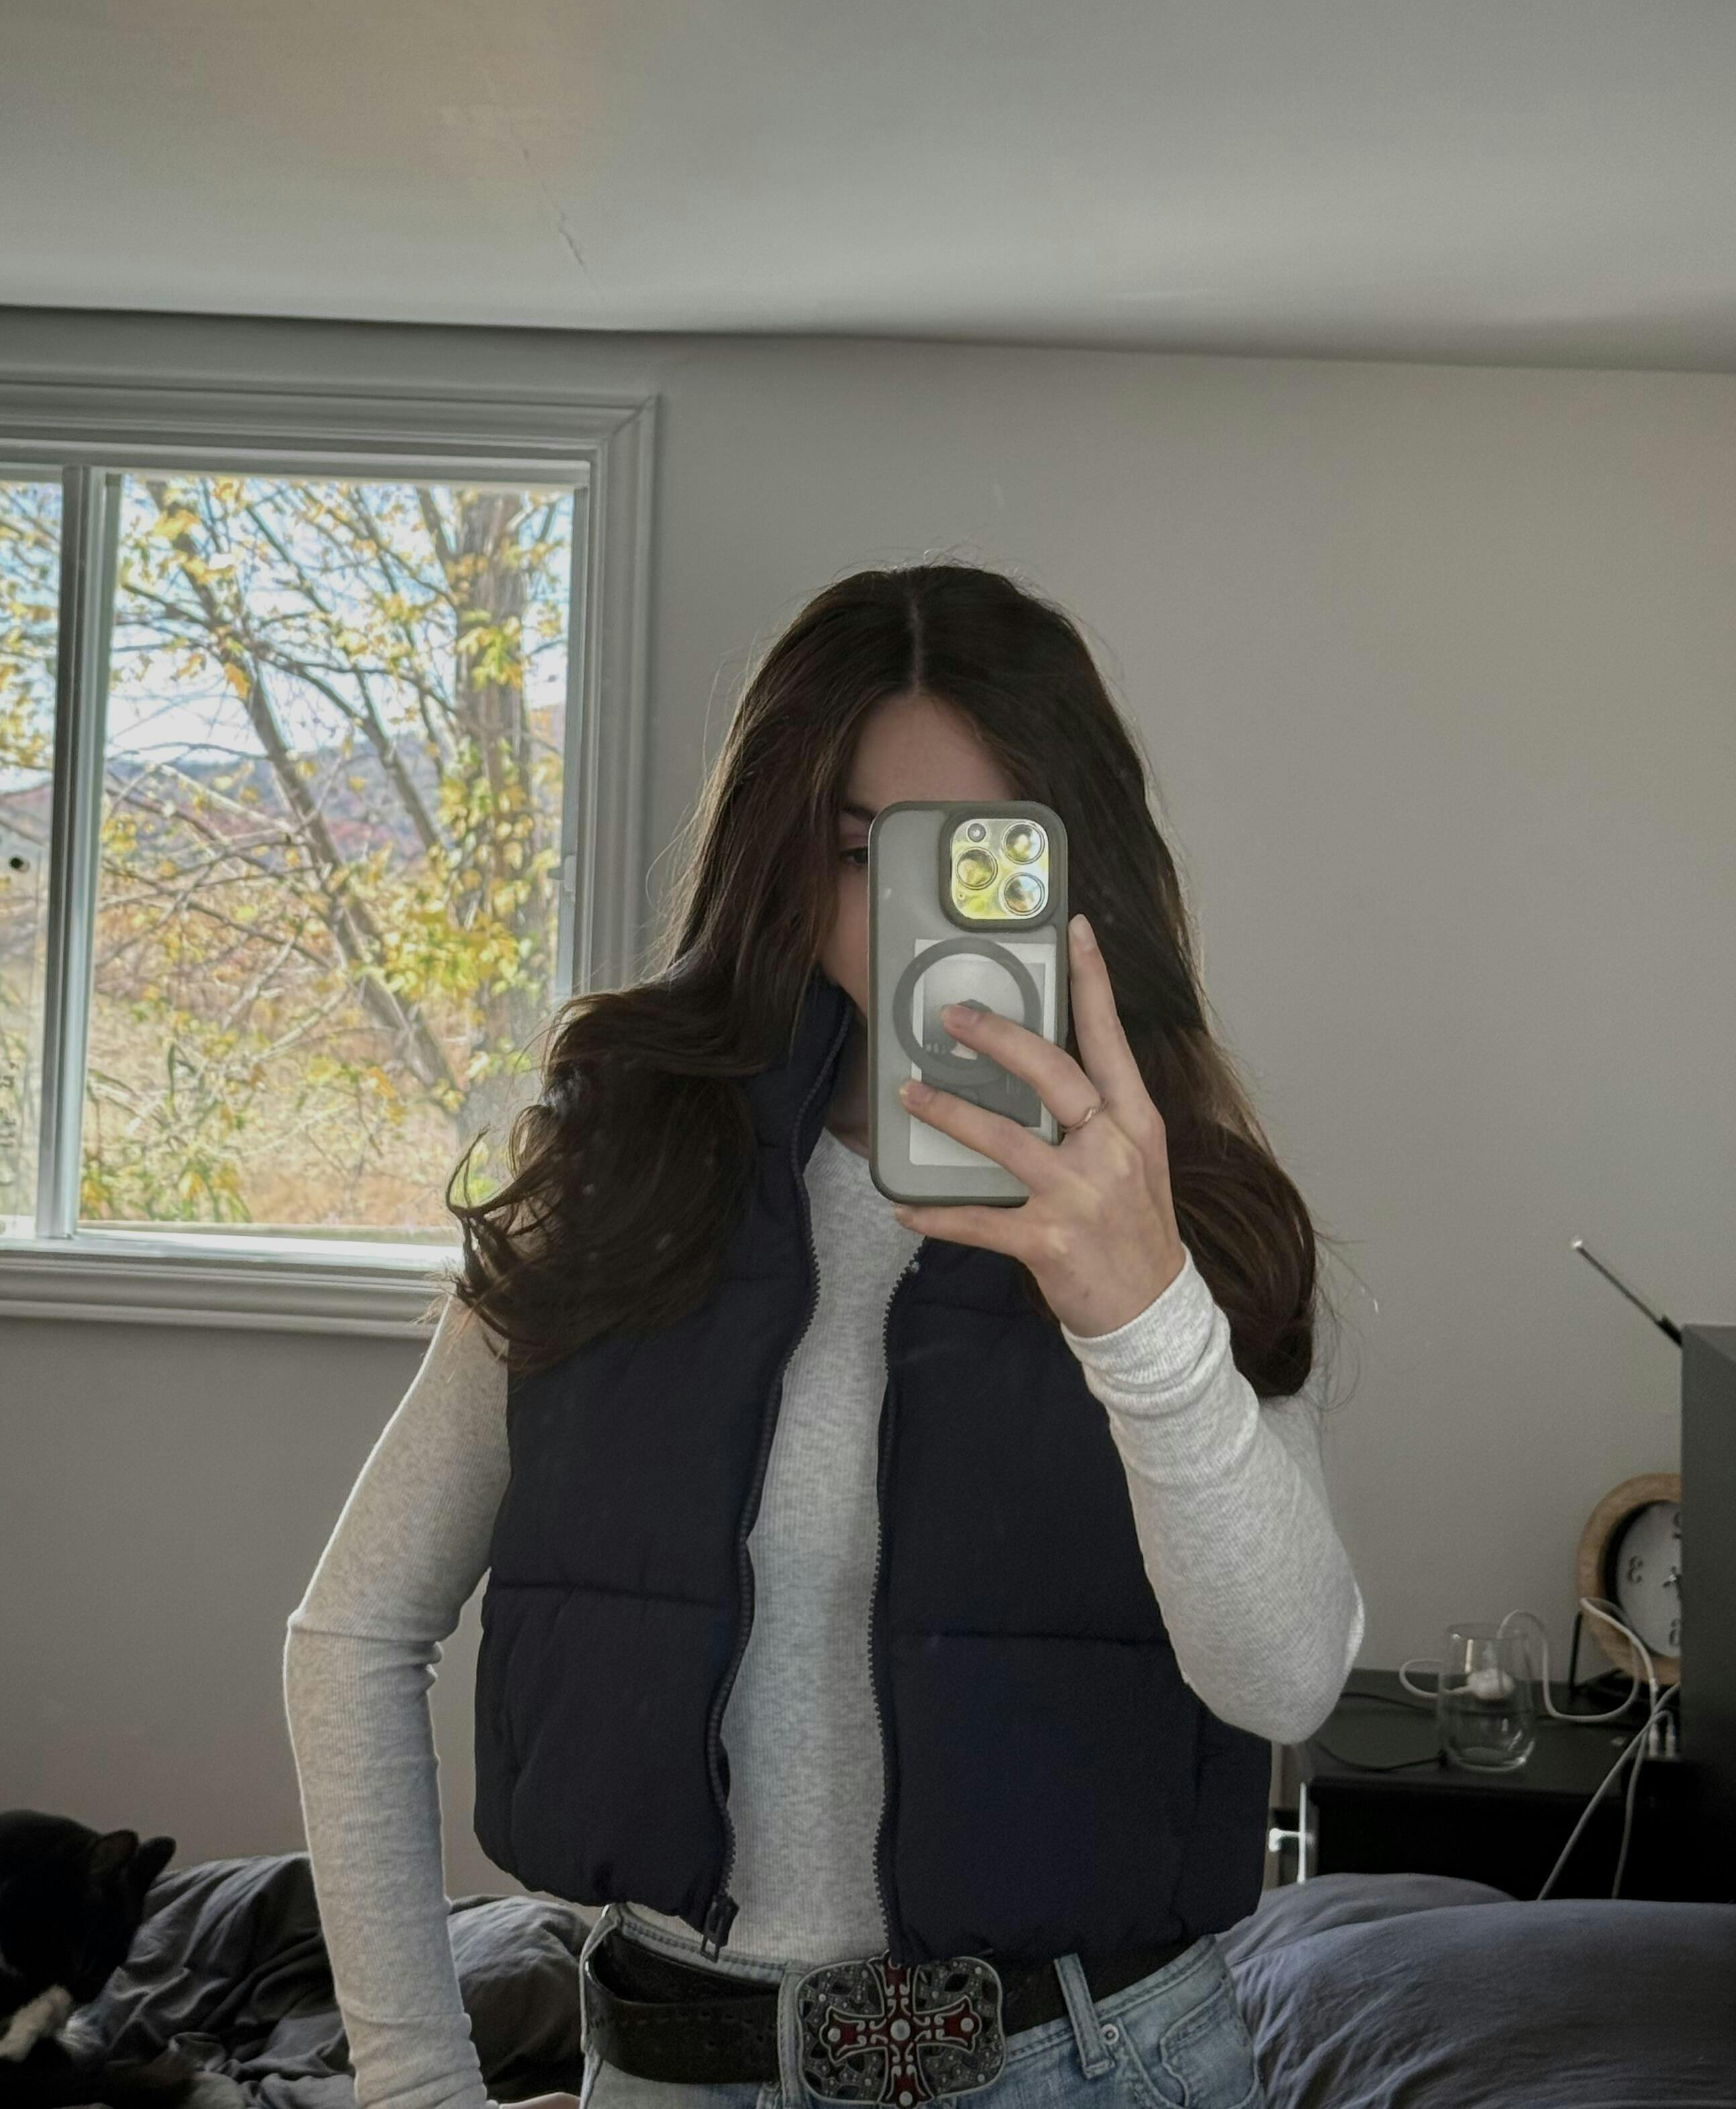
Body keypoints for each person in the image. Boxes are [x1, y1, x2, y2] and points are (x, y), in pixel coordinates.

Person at [285, 560, 1364, 2109]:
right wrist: (412, 2081)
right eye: (863, 852)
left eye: (980, 856)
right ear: (777, 858)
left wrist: (1143, 1312)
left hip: (1087, 2067)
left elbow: (1285, 1682)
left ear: (1077, 868)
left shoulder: (1188, 1208)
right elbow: (353, 1633)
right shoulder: (614, 1180)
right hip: (671, 2065)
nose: (923, 917)